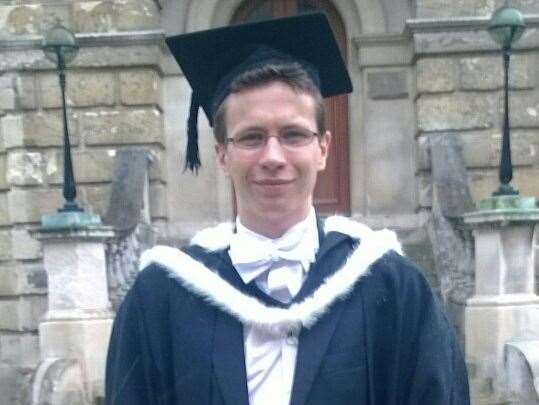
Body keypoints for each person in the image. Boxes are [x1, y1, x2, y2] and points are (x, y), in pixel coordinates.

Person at [105, 13, 470, 405]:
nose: (273, 156)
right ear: (222, 154)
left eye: (294, 134)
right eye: (251, 137)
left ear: (323, 149)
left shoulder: (393, 289)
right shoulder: (161, 297)